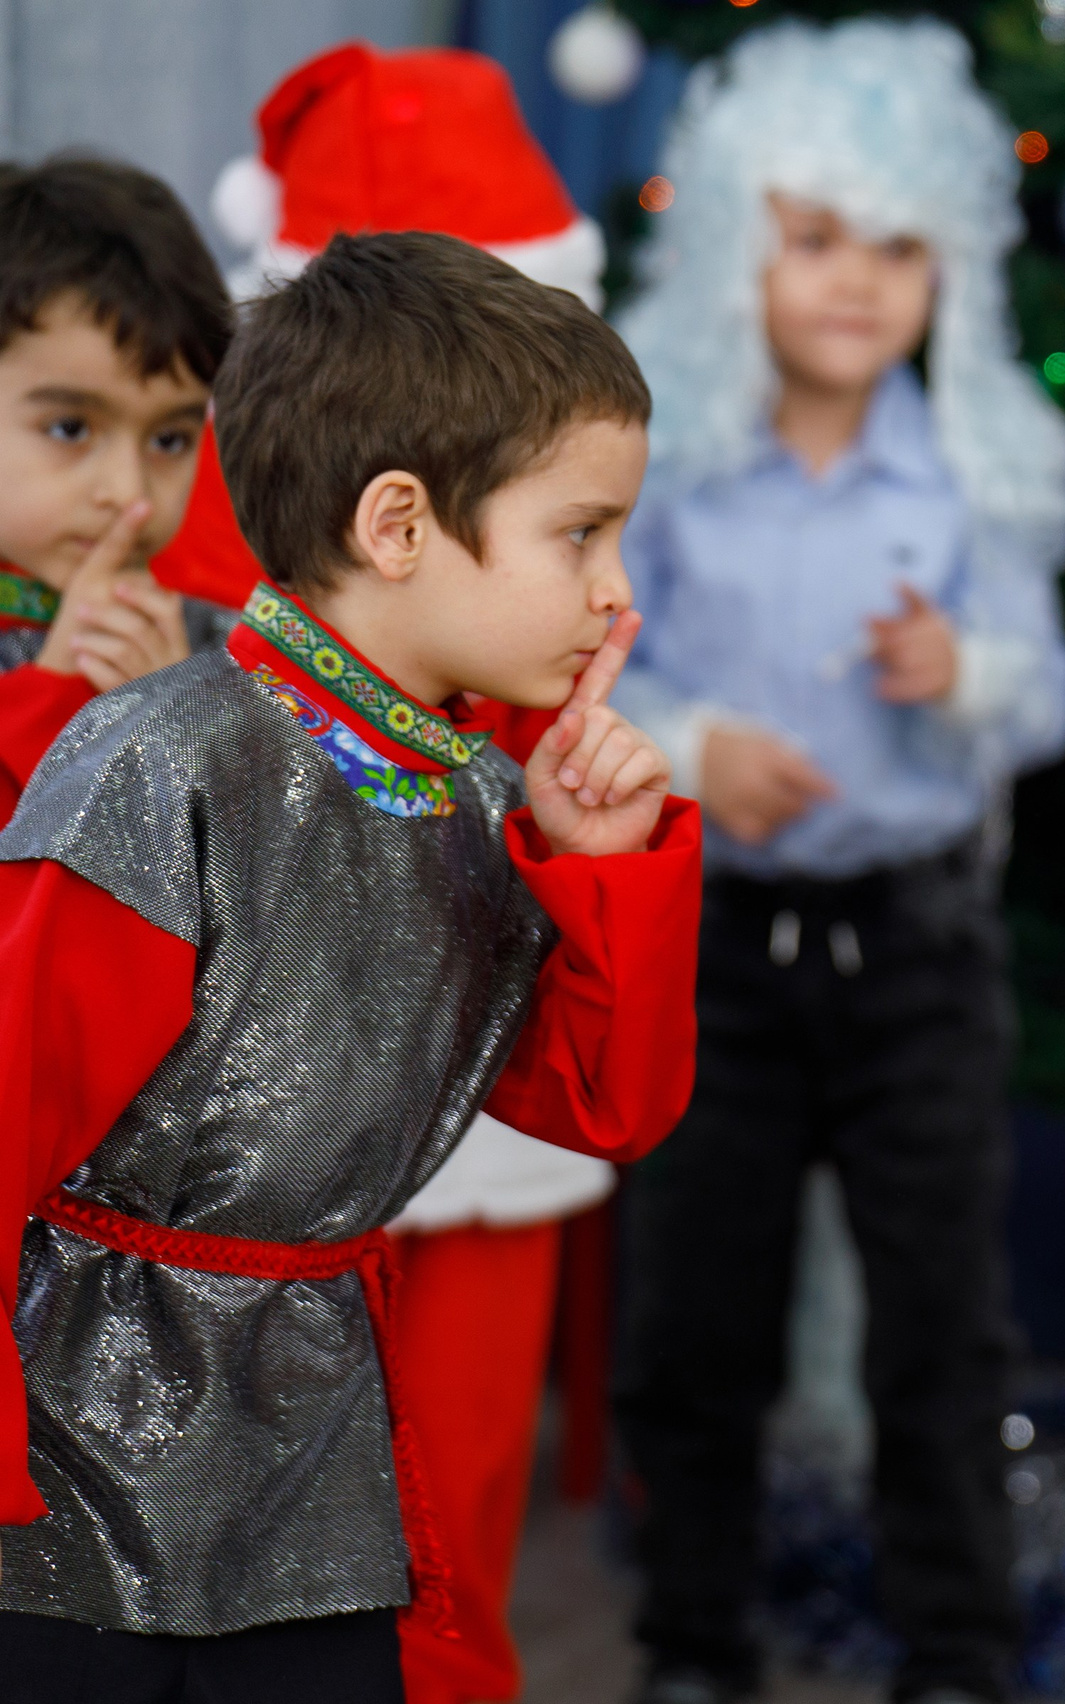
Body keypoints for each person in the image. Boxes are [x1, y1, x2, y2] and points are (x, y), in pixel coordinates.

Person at [0, 230, 699, 1702]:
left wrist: (603, 869)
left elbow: (605, 1103)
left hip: (312, 1461)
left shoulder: (482, 805)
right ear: (398, 525)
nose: (615, 592)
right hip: (63, 1470)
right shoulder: (165, 767)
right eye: (581, 535)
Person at [607, 19, 1065, 1704]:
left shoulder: (970, 470)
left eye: (896, 246)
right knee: (696, 1320)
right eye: (815, 238)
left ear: (948, 263)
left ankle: (956, 1652)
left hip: (919, 949)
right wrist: (691, 751)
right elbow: (590, 671)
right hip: (720, 945)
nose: (856, 282)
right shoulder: (669, 465)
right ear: (737, 249)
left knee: (938, 1327)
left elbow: (1050, 691)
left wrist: (966, 673)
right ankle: (690, 1642)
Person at [212, 44, 633, 1704]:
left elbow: (610, 1073)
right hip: (254, 1169)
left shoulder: (562, 545)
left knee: (455, 1509)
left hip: (486, 1092)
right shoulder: (208, 566)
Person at [0, 156, 238, 823]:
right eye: (71, 428)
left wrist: (177, 726)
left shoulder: (226, 656)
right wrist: (59, 707)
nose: (131, 494)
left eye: (170, 440)